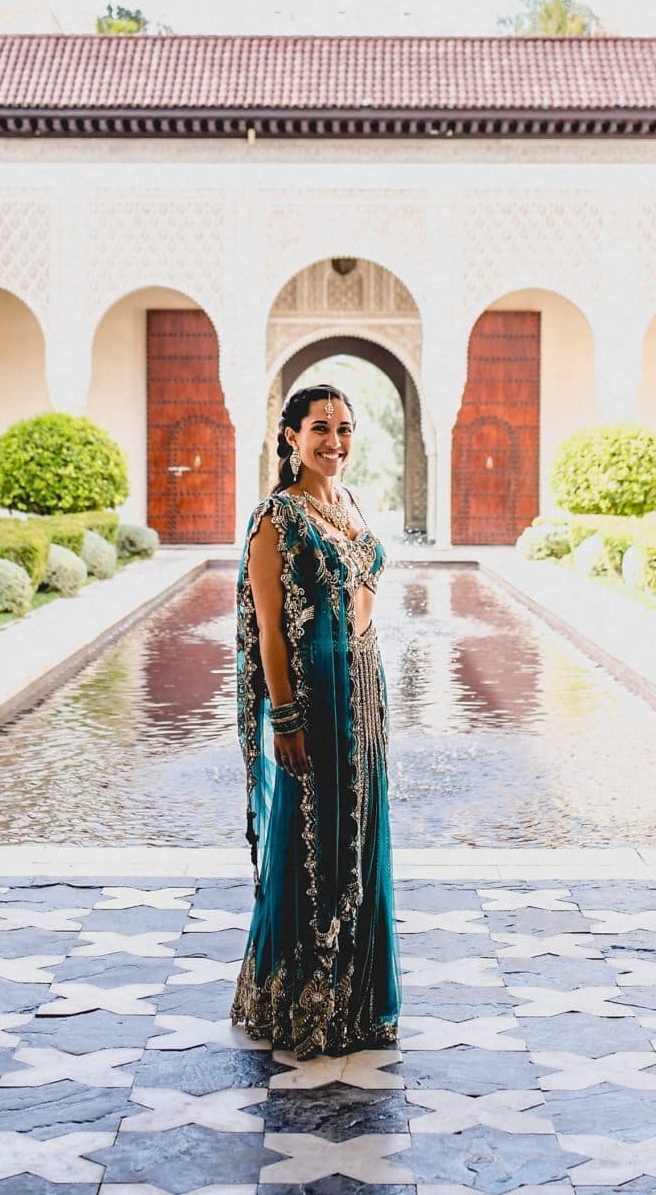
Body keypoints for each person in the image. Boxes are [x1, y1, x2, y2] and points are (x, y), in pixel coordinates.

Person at [231, 382, 401, 1056]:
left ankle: (354, 1002)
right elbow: (268, 630)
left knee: (361, 836)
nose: (335, 440)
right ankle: (302, 1001)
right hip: (315, 691)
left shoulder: (350, 503)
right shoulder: (277, 517)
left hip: (364, 682)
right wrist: (286, 716)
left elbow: (364, 595)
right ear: (290, 437)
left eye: (345, 428)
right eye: (321, 428)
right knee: (315, 840)